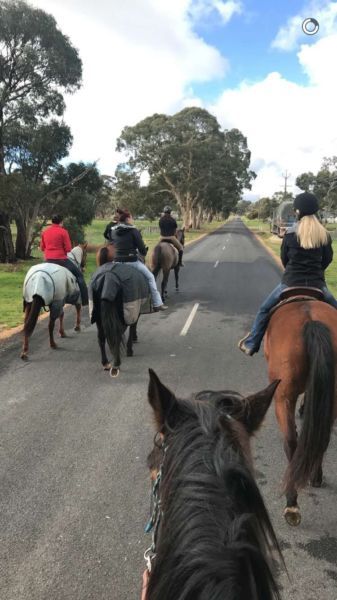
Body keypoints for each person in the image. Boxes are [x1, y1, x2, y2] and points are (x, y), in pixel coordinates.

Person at [238, 192, 337, 356]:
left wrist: (292, 271)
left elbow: (284, 259)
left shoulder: (290, 234)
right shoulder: (324, 235)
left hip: (290, 282)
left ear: (298, 211)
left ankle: (252, 343)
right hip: (317, 284)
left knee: (264, 310)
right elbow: (327, 259)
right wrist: (317, 272)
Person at [110, 208, 168, 311]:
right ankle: (157, 303)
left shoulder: (113, 231)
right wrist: (141, 252)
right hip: (132, 261)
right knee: (150, 277)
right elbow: (142, 250)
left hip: (116, 262)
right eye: (131, 218)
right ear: (127, 219)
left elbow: (114, 244)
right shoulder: (133, 230)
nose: (132, 220)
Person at [40, 215, 89, 306]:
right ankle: (85, 300)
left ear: (52, 222)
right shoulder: (64, 232)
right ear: (61, 222)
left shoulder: (45, 232)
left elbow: (42, 248)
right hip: (61, 260)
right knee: (79, 276)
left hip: (47, 260)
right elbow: (68, 249)